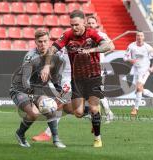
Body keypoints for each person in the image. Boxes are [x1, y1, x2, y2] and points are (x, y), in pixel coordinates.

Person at [41, 10, 113, 148]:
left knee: (93, 107)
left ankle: (97, 138)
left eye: (77, 25)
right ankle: (95, 116)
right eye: (72, 25)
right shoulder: (68, 35)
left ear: (84, 23)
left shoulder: (92, 34)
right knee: (78, 113)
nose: (74, 28)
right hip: (77, 79)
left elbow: (108, 46)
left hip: (94, 76)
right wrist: (46, 66)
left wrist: (91, 50)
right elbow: (52, 50)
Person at [9, 29, 66, 148]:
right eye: (40, 41)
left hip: (38, 89)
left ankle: (56, 139)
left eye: (45, 41)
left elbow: (55, 79)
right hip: (20, 89)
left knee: (50, 107)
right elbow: (25, 79)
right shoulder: (31, 56)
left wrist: (60, 91)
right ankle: (20, 134)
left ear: (49, 41)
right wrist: (30, 94)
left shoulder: (54, 57)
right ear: (35, 42)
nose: (43, 44)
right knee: (34, 113)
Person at [123, 31, 153, 116]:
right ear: (136, 37)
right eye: (138, 36)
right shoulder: (131, 46)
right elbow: (125, 57)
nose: (139, 37)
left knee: (139, 88)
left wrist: (152, 67)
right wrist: (130, 60)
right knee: (140, 89)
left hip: (145, 70)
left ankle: (135, 109)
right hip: (136, 70)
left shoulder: (147, 47)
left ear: (143, 37)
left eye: (141, 36)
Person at [86, 15, 115, 123]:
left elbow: (112, 46)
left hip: (98, 67)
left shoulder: (102, 35)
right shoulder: (84, 36)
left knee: (97, 91)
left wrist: (99, 50)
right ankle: (98, 112)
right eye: (89, 23)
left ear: (96, 24)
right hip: (86, 67)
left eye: (92, 23)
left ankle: (107, 113)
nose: (90, 25)